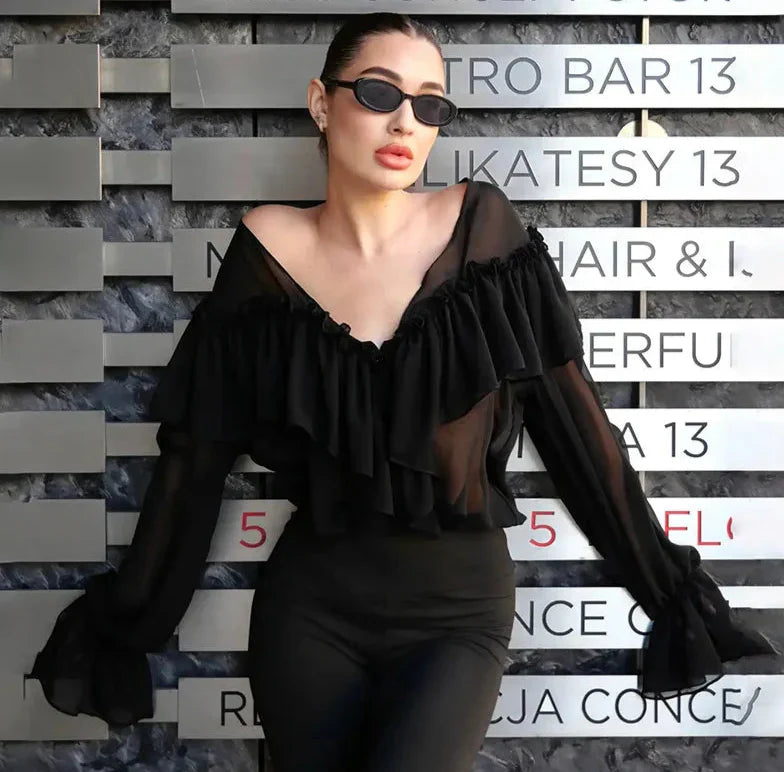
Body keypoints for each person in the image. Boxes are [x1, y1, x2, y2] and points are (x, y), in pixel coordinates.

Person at [28, 11, 777, 772]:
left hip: (457, 614)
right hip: (310, 612)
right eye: (380, 93)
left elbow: (579, 438)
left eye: (429, 104)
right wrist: (129, 620)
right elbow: (194, 464)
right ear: (321, 103)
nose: (405, 123)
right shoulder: (266, 251)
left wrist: (670, 591)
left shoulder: (484, 231)